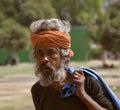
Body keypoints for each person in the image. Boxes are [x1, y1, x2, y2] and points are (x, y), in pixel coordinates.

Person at [30, 18, 119, 110]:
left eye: (51, 52)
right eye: (39, 53)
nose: (44, 59)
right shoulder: (38, 90)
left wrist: (83, 95)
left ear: (64, 56)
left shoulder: (87, 82)